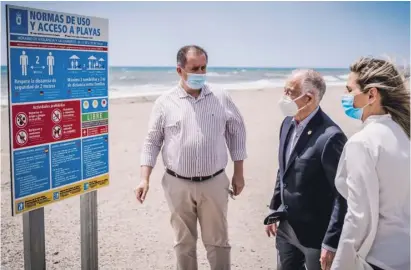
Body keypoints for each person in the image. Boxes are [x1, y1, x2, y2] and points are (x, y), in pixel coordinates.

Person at [135, 45, 247, 270]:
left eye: (204, 68)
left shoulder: (221, 97)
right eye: (194, 68)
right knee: (183, 243)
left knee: (218, 242)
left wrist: (239, 173)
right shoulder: (164, 102)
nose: (200, 73)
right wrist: (144, 178)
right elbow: (152, 140)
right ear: (180, 70)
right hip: (177, 183)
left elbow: (237, 132)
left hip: (214, 182)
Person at [264, 69, 348, 270]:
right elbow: (283, 169)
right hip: (286, 227)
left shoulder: (330, 137)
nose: (284, 97)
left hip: (315, 236)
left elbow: (342, 194)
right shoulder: (287, 123)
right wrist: (274, 207)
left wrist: (331, 241)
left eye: (290, 92)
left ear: (309, 98)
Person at [331, 57, 410, 270]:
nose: (345, 97)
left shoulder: (362, 142)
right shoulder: (403, 133)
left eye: (349, 90)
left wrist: (341, 265)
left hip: (379, 260)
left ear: (371, 94)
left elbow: (358, 216)